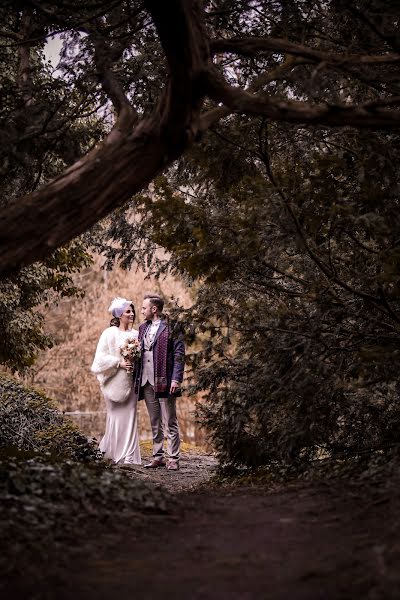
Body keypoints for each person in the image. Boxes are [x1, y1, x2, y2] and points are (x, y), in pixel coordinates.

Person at [134, 293, 185, 471]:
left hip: (165, 380)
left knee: (169, 420)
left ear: (154, 309)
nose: (141, 312)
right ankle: (158, 456)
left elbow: (179, 355)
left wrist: (176, 378)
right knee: (155, 420)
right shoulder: (142, 328)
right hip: (146, 381)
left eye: (143, 308)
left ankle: (173, 458)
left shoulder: (172, 327)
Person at [91, 297, 141, 465]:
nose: (132, 313)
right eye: (128, 311)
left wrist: (135, 364)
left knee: (131, 417)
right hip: (113, 382)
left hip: (131, 382)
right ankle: (111, 450)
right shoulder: (109, 333)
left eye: (132, 311)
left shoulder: (136, 334)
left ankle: (129, 456)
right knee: (114, 417)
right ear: (119, 314)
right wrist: (118, 363)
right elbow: (99, 359)